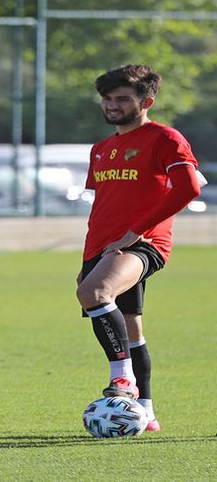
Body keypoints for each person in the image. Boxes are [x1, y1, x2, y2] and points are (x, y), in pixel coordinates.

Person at [76, 64, 205, 432]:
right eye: (107, 98)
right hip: (104, 245)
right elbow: (107, 204)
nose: (111, 105)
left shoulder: (165, 139)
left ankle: (123, 381)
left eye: (122, 99)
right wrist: (91, 254)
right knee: (131, 326)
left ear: (146, 101)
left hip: (143, 242)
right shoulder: (101, 149)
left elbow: (189, 189)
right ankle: (145, 411)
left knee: (95, 292)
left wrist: (134, 232)